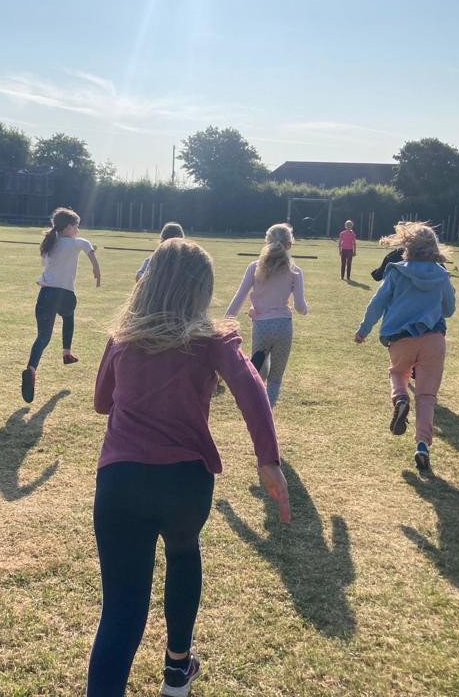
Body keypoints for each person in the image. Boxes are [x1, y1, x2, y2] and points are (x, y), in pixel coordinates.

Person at [87, 238, 290, 697]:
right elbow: (252, 389)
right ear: (201, 289)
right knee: (183, 552)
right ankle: (177, 669)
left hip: (120, 480)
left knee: (120, 612)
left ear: (148, 281)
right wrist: (268, 461)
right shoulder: (212, 339)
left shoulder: (122, 336)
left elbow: (101, 402)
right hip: (185, 482)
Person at [353, 222, 455, 471]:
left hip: (400, 338)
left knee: (398, 373)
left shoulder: (396, 271)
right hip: (433, 339)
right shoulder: (442, 275)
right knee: (427, 396)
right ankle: (422, 445)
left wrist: (363, 330)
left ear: (406, 246)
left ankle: (400, 399)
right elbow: (449, 309)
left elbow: (377, 303)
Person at [22, 207, 100, 403]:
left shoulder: (49, 244)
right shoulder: (78, 242)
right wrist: (97, 272)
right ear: (69, 227)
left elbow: (46, 264)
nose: (78, 230)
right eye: (76, 226)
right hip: (65, 295)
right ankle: (66, 353)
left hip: (45, 295)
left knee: (43, 337)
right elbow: (91, 253)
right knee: (68, 316)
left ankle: (31, 368)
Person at [225, 223, 308, 407]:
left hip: (261, 326)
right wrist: (305, 309)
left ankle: (256, 402)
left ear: (266, 242)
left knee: (257, 371)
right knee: (276, 378)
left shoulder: (254, 267)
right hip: (283, 327)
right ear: (289, 245)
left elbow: (238, 298)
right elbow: (300, 307)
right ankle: (268, 410)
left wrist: (225, 322)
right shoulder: (295, 271)